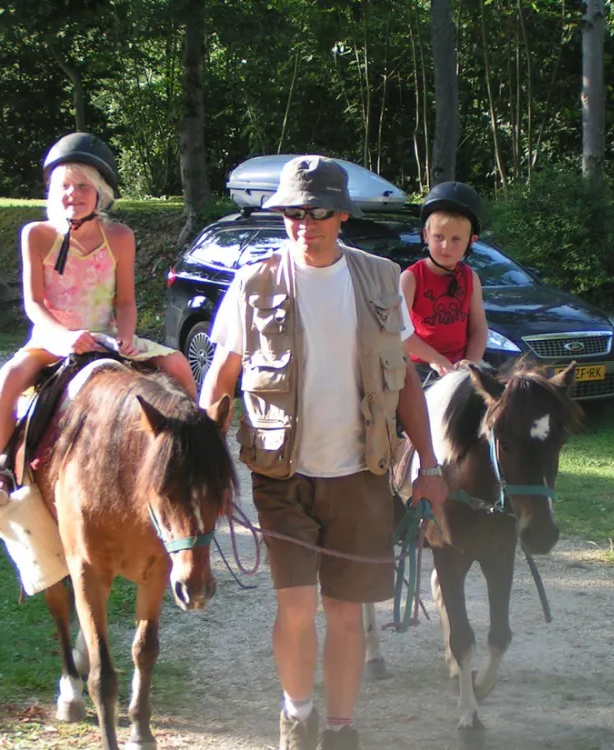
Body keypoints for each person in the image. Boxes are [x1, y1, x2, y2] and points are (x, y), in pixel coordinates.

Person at [198, 155, 449, 750]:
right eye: (292, 212)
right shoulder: (254, 283)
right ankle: (297, 713)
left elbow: (406, 381)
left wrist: (430, 464)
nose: (303, 224)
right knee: (295, 608)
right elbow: (221, 381)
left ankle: (340, 729)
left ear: (341, 215)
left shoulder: (380, 278)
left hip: (361, 474)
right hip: (281, 475)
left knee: (344, 612)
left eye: (316, 212)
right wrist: (204, 465)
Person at [0, 132, 197, 509]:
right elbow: (34, 303)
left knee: (177, 364)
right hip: (53, 338)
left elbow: (125, 302)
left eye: (82, 186)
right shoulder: (36, 235)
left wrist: (127, 336)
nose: (72, 194)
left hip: (105, 336)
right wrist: (64, 337)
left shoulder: (120, 236)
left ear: (100, 193)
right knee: (9, 378)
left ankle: (197, 450)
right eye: (64, 186)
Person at [402, 181, 489, 383]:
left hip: (461, 366)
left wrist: (471, 362)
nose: (446, 246)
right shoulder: (411, 278)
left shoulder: (470, 278)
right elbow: (399, 330)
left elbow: (479, 329)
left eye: (456, 239)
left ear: (471, 240)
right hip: (419, 367)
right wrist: (435, 359)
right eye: (438, 237)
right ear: (426, 235)